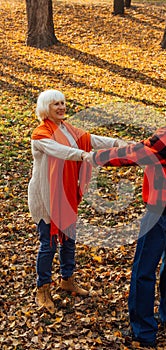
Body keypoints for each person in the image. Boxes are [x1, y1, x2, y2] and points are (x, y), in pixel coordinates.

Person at [85, 78, 166, 348]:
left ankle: (144, 331)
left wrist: (95, 157)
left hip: (161, 212)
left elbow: (134, 155)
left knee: (144, 270)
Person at [28, 89, 128, 314]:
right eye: (56, 104)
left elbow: (91, 140)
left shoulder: (69, 129)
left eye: (63, 103)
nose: (62, 107)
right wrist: (83, 155)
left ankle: (67, 279)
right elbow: (61, 151)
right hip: (45, 196)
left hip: (65, 194)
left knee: (69, 238)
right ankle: (42, 289)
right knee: (49, 243)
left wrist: (119, 143)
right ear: (46, 107)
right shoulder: (40, 134)